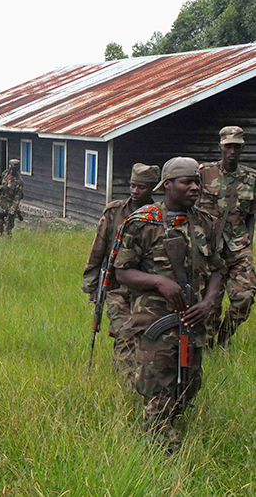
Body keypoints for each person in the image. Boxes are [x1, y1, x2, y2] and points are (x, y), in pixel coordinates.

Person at [112, 157, 224, 449]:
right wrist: (159, 282)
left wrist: (210, 302)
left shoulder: (205, 223)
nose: (194, 188)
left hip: (193, 318)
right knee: (157, 382)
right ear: (168, 185)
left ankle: (171, 419)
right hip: (155, 321)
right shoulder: (144, 223)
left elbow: (217, 269)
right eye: (187, 182)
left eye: (197, 181)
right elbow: (122, 271)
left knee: (189, 384)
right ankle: (160, 444)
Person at [81, 163, 159, 380]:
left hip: (144, 286)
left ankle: (134, 376)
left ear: (152, 188)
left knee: (142, 335)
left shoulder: (158, 216)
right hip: (114, 285)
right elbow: (98, 249)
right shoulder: (114, 212)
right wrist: (93, 286)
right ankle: (127, 384)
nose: (135, 191)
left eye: (141, 187)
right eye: (133, 185)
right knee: (123, 332)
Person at [197, 126, 256, 347]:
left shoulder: (251, 178)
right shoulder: (204, 173)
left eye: (237, 147)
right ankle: (210, 344)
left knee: (245, 297)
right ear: (220, 146)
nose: (232, 151)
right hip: (209, 249)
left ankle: (223, 338)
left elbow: (251, 214)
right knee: (210, 304)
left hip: (238, 248)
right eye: (229, 146)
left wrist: (248, 240)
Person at [0, 159, 24, 236]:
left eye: (14, 170)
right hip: (0, 202)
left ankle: (7, 242)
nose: (12, 171)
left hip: (10, 205)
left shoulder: (19, 181)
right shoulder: (5, 174)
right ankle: (0, 239)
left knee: (7, 228)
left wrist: (13, 209)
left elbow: (18, 197)